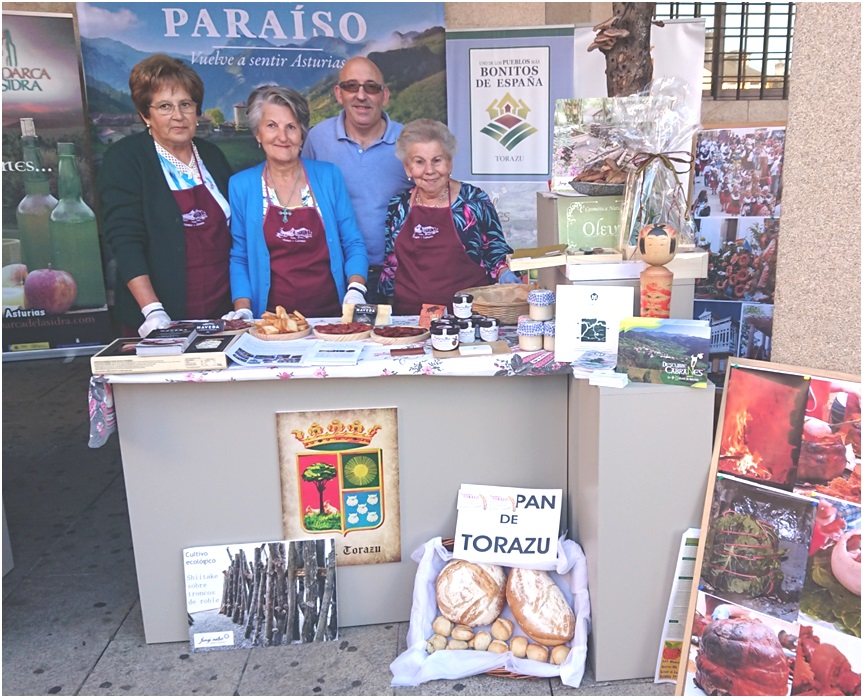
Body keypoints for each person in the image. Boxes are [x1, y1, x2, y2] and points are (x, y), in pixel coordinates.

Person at [98, 54, 233, 337]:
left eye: (186, 104)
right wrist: (152, 310)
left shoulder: (212, 156)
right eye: (164, 106)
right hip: (160, 317)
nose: (178, 116)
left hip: (220, 312)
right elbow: (125, 241)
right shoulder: (126, 159)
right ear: (145, 115)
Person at [226, 85, 368, 319]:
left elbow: (352, 243)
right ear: (258, 133)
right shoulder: (241, 185)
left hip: (332, 317)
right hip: (271, 322)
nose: (282, 137)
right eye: (272, 126)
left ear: (302, 134)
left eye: (291, 127)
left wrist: (355, 289)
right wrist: (242, 307)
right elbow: (239, 256)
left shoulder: (328, 176)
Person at [378, 119, 519, 315]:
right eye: (419, 162)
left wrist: (505, 272)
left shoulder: (473, 200)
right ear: (408, 168)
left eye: (437, 160)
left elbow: (495, 249)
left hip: (467, 317)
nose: (429, 170)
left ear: (450, 163)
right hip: (409, 319)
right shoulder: (398, 206)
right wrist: (384, 310)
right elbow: (391, 263)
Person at [302, 57, 410, 303]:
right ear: (339, 93)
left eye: (371, 87)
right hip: (336, 276)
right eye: (352, 86)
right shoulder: (318, 138)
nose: (361, 95)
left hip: (397, 275)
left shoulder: (409, 140)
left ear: (385, 95)